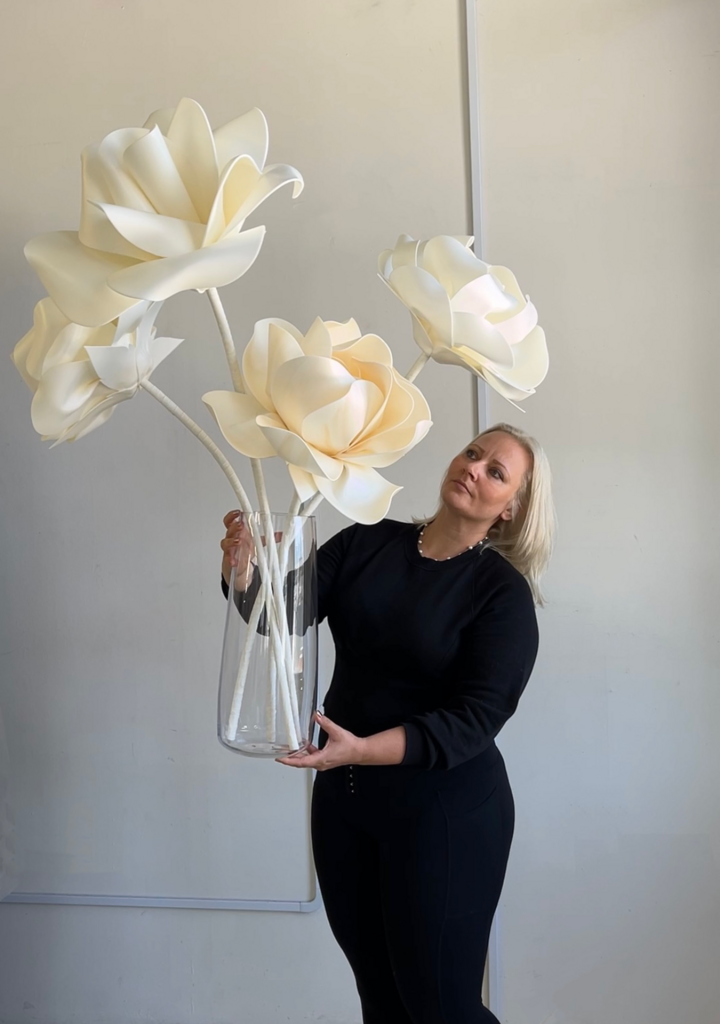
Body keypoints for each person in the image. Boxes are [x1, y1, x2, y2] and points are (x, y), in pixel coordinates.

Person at [220, 422, 555, 1024]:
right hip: (346, 806)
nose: (474, 467)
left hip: (445, 817)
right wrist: (245, 571)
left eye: (496, 471)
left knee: (440, 1007)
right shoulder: (368, 541)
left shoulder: (500, 594)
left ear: (511, 510)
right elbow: (281, 614)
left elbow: (472, 721)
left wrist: (361, 749)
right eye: (472, 453)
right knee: (381, 1000)